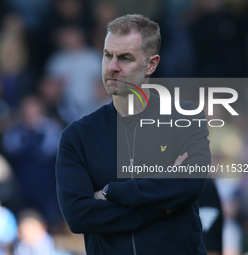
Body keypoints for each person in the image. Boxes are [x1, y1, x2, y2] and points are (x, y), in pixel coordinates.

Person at [56, 14, 210, 255]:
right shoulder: (77, 136)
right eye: (108, 55)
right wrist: (160, 206)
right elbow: (79, 216)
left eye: (125, 58)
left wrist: (110, 192)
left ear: (151, 64)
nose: (112, 67)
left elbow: (189, 185)